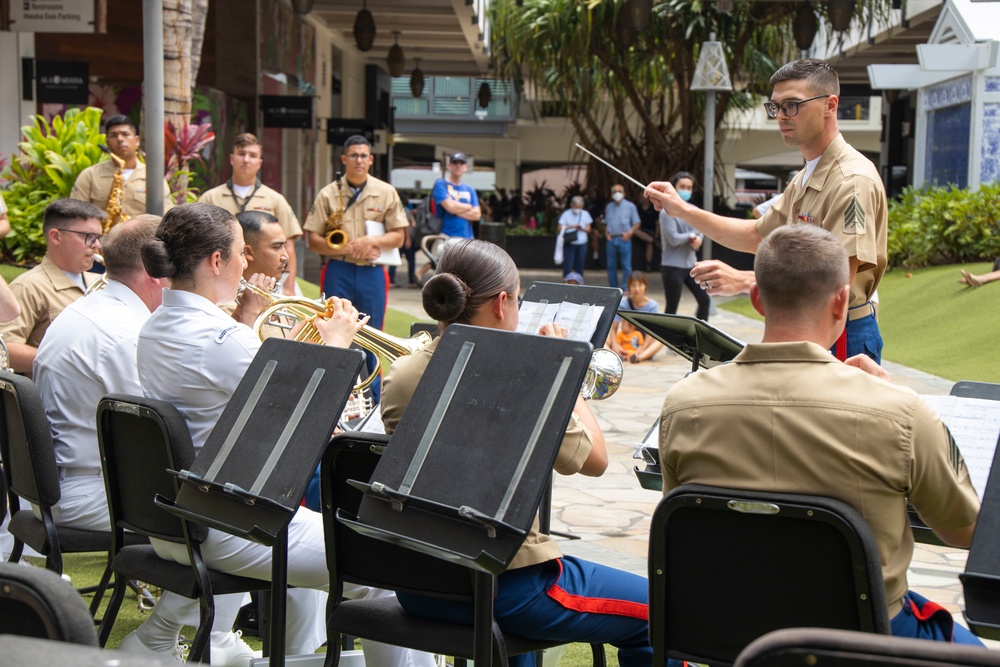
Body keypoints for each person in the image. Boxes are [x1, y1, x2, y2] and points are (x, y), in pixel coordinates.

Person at [136, 203, 432, 666]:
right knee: (383, 567)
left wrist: (298, 340)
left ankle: (296, 653)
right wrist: (336, 343)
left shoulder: (156, 325)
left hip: (183, 516)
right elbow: (311, 419)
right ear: (216, 261)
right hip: (233, 522)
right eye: (240, 252)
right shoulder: (221, 339)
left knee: (335, 533)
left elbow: (247, 381)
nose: (246, 263)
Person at [660, 224, 982, 645]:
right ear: (842, 301)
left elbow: (682, 514)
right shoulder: (899, 412)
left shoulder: (683, 404)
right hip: (862, 639)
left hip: (729, 629)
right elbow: (965, 531)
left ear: (757, 299)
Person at [380, 239, 652, 667]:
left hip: (419, 584)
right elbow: (596, 461)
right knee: (663, 611)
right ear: (503, 302)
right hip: (505, 586)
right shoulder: (529, 380)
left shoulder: (401, 373)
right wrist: (567, 369)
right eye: (519, 301)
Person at [32, 215, 257, 665]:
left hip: (72, 478)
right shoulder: (123, 332)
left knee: (224, 498)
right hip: (91, 488)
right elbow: (164, 435)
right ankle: (204, 633)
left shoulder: (98, 311)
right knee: (227, 501)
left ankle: (207, 631)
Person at [645, 58, 887, 363]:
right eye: (776, 107)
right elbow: (755, 234)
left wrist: (748, 282)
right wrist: (681, 209)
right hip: (807, 326)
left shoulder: (852, 181)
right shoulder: (807, 175)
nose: (782, 116)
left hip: (840, 333)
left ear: (830, 105)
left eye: (792, 105)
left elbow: (837, 282)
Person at [303, 135, 406, 403]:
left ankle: (372, 400)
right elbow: (312, 240)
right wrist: (347, 249)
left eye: (364, 156)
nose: (359, 160)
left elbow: (399, 236)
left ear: (371, 160)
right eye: (354, 155)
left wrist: (373, 241)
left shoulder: (386, 192)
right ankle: (332, 395)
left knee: (372, 334)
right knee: (332, 329)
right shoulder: (327, 193)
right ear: (344, 159)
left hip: (372, 273)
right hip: (339, 269)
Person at [0, 199, 104, 374]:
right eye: (88, 237)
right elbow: (5, 349)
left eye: (99, 238)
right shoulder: (29, 286)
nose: (97, 245)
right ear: (56, 236)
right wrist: (72, 362)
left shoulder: (101, 280)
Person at [199, 133, 302, 296]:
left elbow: (287, 245)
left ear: (260, 163)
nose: (246, 160)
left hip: (266, 281)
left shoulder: (275, 200)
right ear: (232, 159)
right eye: (241, 154)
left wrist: (288, 286)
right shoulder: (210, 198)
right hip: (221, 277)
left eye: (252, 155)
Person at [70, 114, 174, 218]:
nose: (120, 139)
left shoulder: (153, 177)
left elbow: (167, 216)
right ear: (107, 143)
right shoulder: (90, 175)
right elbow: (75, 215)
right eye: (113, 135)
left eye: (125, 134)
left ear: (137, 141)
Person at [658, 172, 710, 322]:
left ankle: (700, 335)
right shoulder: (665, 212)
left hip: (690, 265)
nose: (686, 190)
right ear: (674, 188)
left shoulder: (693, 209)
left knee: (705, 301)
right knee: (672, 307)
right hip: (672, 266)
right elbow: (673, 239)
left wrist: (699, 237)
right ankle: (667, 341)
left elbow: (702, 230)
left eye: (689, 187)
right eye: (682, 187)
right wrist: (693, 236)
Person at [606, 271, 661, 363]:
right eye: (633, 286)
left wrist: (642, 348)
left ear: (645, 286)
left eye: (640, 285)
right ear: (629, 287)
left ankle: (639, 357)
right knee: (604, 338)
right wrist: (615, 344)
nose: (637, 289)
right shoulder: (623, 303)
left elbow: (651, 332)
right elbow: (614, 328)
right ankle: (614, 354)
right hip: (624, 339)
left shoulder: (652, 306)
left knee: (661, 340)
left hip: (642, 340)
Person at [432, 152, 480, 239]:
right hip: (446, 236)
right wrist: (468, 206)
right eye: (455, 163)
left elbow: (477, 215)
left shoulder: (470, 189)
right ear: (449, 166)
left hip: (467, 238)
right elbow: (450, 207)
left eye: (461, 163)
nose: (458, 166)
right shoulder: (441, 184)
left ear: (465, 167)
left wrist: (455, 209)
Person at [604, 184, 641, 289]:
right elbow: (607, 223)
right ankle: (613, 288)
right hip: (611, 239)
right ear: (611, 194)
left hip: (624, 239)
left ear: (624, 193)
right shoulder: (609, 207)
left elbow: (637, 223)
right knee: (611, 266)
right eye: (614, 191)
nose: (617, 193)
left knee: (626, 266)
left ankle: (626, 288)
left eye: (619, 191)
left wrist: (629, 233)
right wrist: (606, 234)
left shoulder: (630, 206)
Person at [557, 196, 592, 278]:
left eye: (580, 207)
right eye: (576, 207)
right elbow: (559, 228)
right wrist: (572, 227)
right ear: (571, 205)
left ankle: (579, 282)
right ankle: (566, 281)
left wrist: (582, 228)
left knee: (580, 263)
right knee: (568, 264)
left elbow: (589, 229)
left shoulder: (585, 214)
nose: (578, 209)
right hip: (570, 243)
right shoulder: (566, 214)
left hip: (582, 243)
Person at [635, 197, 660, 271]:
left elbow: (657, 223)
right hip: (640, 230)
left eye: (645, 198)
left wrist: (657, 233)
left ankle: (648, 264)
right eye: (642, 198)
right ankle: (653, 240)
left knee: (649, 243)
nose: (644, 199)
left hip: (650, 231)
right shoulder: (637, 208)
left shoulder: (653, 208)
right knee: (635, 231)